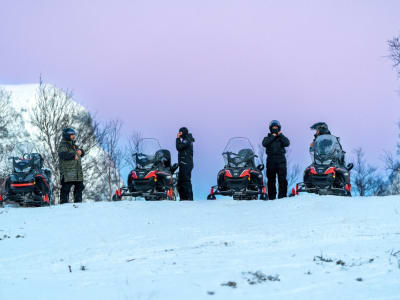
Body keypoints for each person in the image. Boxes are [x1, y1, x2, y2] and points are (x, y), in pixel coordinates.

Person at [262, 120, 290, 200]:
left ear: (279, 128)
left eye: (276, 127)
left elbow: (287, 143)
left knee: (282, 180)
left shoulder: (281, 138)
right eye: (273, 127)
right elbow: (264, 144)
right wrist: (273, 136)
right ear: (271, 128)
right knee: (271, 180)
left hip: (281, 161)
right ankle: (272, 198)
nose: (275, 129)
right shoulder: (267, 138)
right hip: (271, 161)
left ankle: (282, 197)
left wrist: (280, 135)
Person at [58, 128, 85, 204]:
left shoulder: (74, 145)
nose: (73, 136)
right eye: (72, 135)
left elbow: (80, 153)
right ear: (67, 136)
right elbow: (62, 154)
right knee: (65, 190)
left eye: (74, 135)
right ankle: (63, 207)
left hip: (77, 173)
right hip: (67, 173)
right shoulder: (63, 145)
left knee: (79, 188)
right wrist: (73, 156)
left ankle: (78, 205)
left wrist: (81, 152)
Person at [176, 127, 195, 200]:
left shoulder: (187, 139)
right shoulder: (185, 139)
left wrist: (177, 138)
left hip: (186, 163)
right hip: (183, 163)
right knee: (181, 181)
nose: (179, 134)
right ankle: (183, 198)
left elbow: (179, 147)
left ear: (183, 132)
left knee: (186, 181)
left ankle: (189, 198)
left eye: (180, 132)